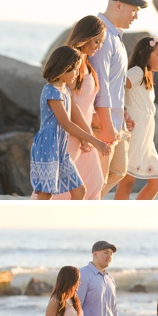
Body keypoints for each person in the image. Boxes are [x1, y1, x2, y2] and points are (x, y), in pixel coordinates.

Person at [30, 46, 110, 200]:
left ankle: (67, 223)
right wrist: (94, 141)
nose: (77, 74)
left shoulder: (65, 90)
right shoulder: (51, 91)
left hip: (60, 148)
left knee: (79, 191)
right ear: (63, 68)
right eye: (74, 70)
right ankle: (35, 223)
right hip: (48, 146)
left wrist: (89, 135)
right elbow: (66, 123)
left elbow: (74, 114)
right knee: (45, 193)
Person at [90, 0, 148, 197]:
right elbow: (100, 85)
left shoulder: (116, 37)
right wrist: (105, 125)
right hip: (102, 121)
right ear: (118, 5)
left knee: (118, 171)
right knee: (97, 177)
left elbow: (114, 84)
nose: (136, 17)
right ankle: (80, 212)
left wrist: (122, 113)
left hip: (116, 118)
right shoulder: (102, 37)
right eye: (134, 10)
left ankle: (86, 205)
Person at [53, 16, 108, 200]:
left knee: (93, 182)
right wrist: (87, 136)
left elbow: (87, 102)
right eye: (96, 41)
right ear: (86, 36)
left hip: (83, 133)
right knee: (61, 187)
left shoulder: (86, 63)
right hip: (71, 133)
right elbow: (70, 102)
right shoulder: (71, 60)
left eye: (101, 42)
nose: (98, 46)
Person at [114, 36, 158, 200]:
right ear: (145, 53)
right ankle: (121, 219)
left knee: (157, 180)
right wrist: (122, 110)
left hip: (145, 136)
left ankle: (134, 214)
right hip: (136, 132)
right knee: (127, 180)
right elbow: (116, 87)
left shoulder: (146, 75)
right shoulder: (137, 72)